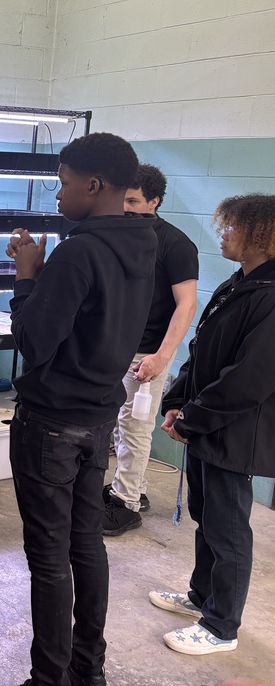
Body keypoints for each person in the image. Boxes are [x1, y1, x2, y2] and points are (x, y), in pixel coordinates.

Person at [6, 132, 157, 686]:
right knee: (86, 543)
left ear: (94, 186)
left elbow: (34, 341)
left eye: (64, 185)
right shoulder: (144, 241)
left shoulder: (80, 250)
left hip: (51, 423)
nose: (58, 195)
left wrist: (25, 275)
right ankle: (86, 670)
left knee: (48, 557)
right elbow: (90, 320)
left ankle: (49, 678)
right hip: (97, 416)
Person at [150, 194, 275, 656]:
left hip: (233, 433)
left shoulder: (270, 296)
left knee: (228, 528)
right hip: (206, 426)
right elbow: (203, 351)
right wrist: (178, 399)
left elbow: (248, 379)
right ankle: (202, 598)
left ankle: (222, 627)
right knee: (207, 519)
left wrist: (194, 418)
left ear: (261, 234)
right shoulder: (240, 283)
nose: (221, 233)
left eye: (230, 227)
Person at [104, 164, 199, 536]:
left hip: (148, 351)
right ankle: (133, 489)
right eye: (122, 199)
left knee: (135, 427)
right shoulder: (118, 234)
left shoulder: (175, 244)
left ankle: (125, 504)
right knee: (117, 426)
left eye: (133, 200)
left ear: (154, 202)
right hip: (115, 346)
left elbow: (186, 304)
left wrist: (161, 356)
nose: (125, 207)